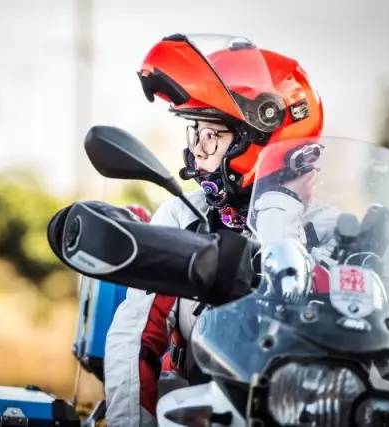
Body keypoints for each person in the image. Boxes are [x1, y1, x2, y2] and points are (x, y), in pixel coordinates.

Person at [103, 34, 326, 426]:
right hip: (200, 409)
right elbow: (136, 335)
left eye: (214, 134)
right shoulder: (183, 216)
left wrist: (277, 214)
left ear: (264, 136)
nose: (198, 150)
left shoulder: (328, 230)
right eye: (196, 131)